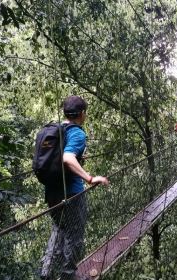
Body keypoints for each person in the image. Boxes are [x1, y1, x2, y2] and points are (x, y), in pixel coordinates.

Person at [41, 96, 109, 280]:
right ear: (82, 114)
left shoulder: (55, 130)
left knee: (58, 230)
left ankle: (46, 272)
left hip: (52, 193)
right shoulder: (77, 133)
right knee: (74, 236)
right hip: (71, 194)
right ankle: (68, 276)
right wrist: (90, 178)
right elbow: (67, 158)